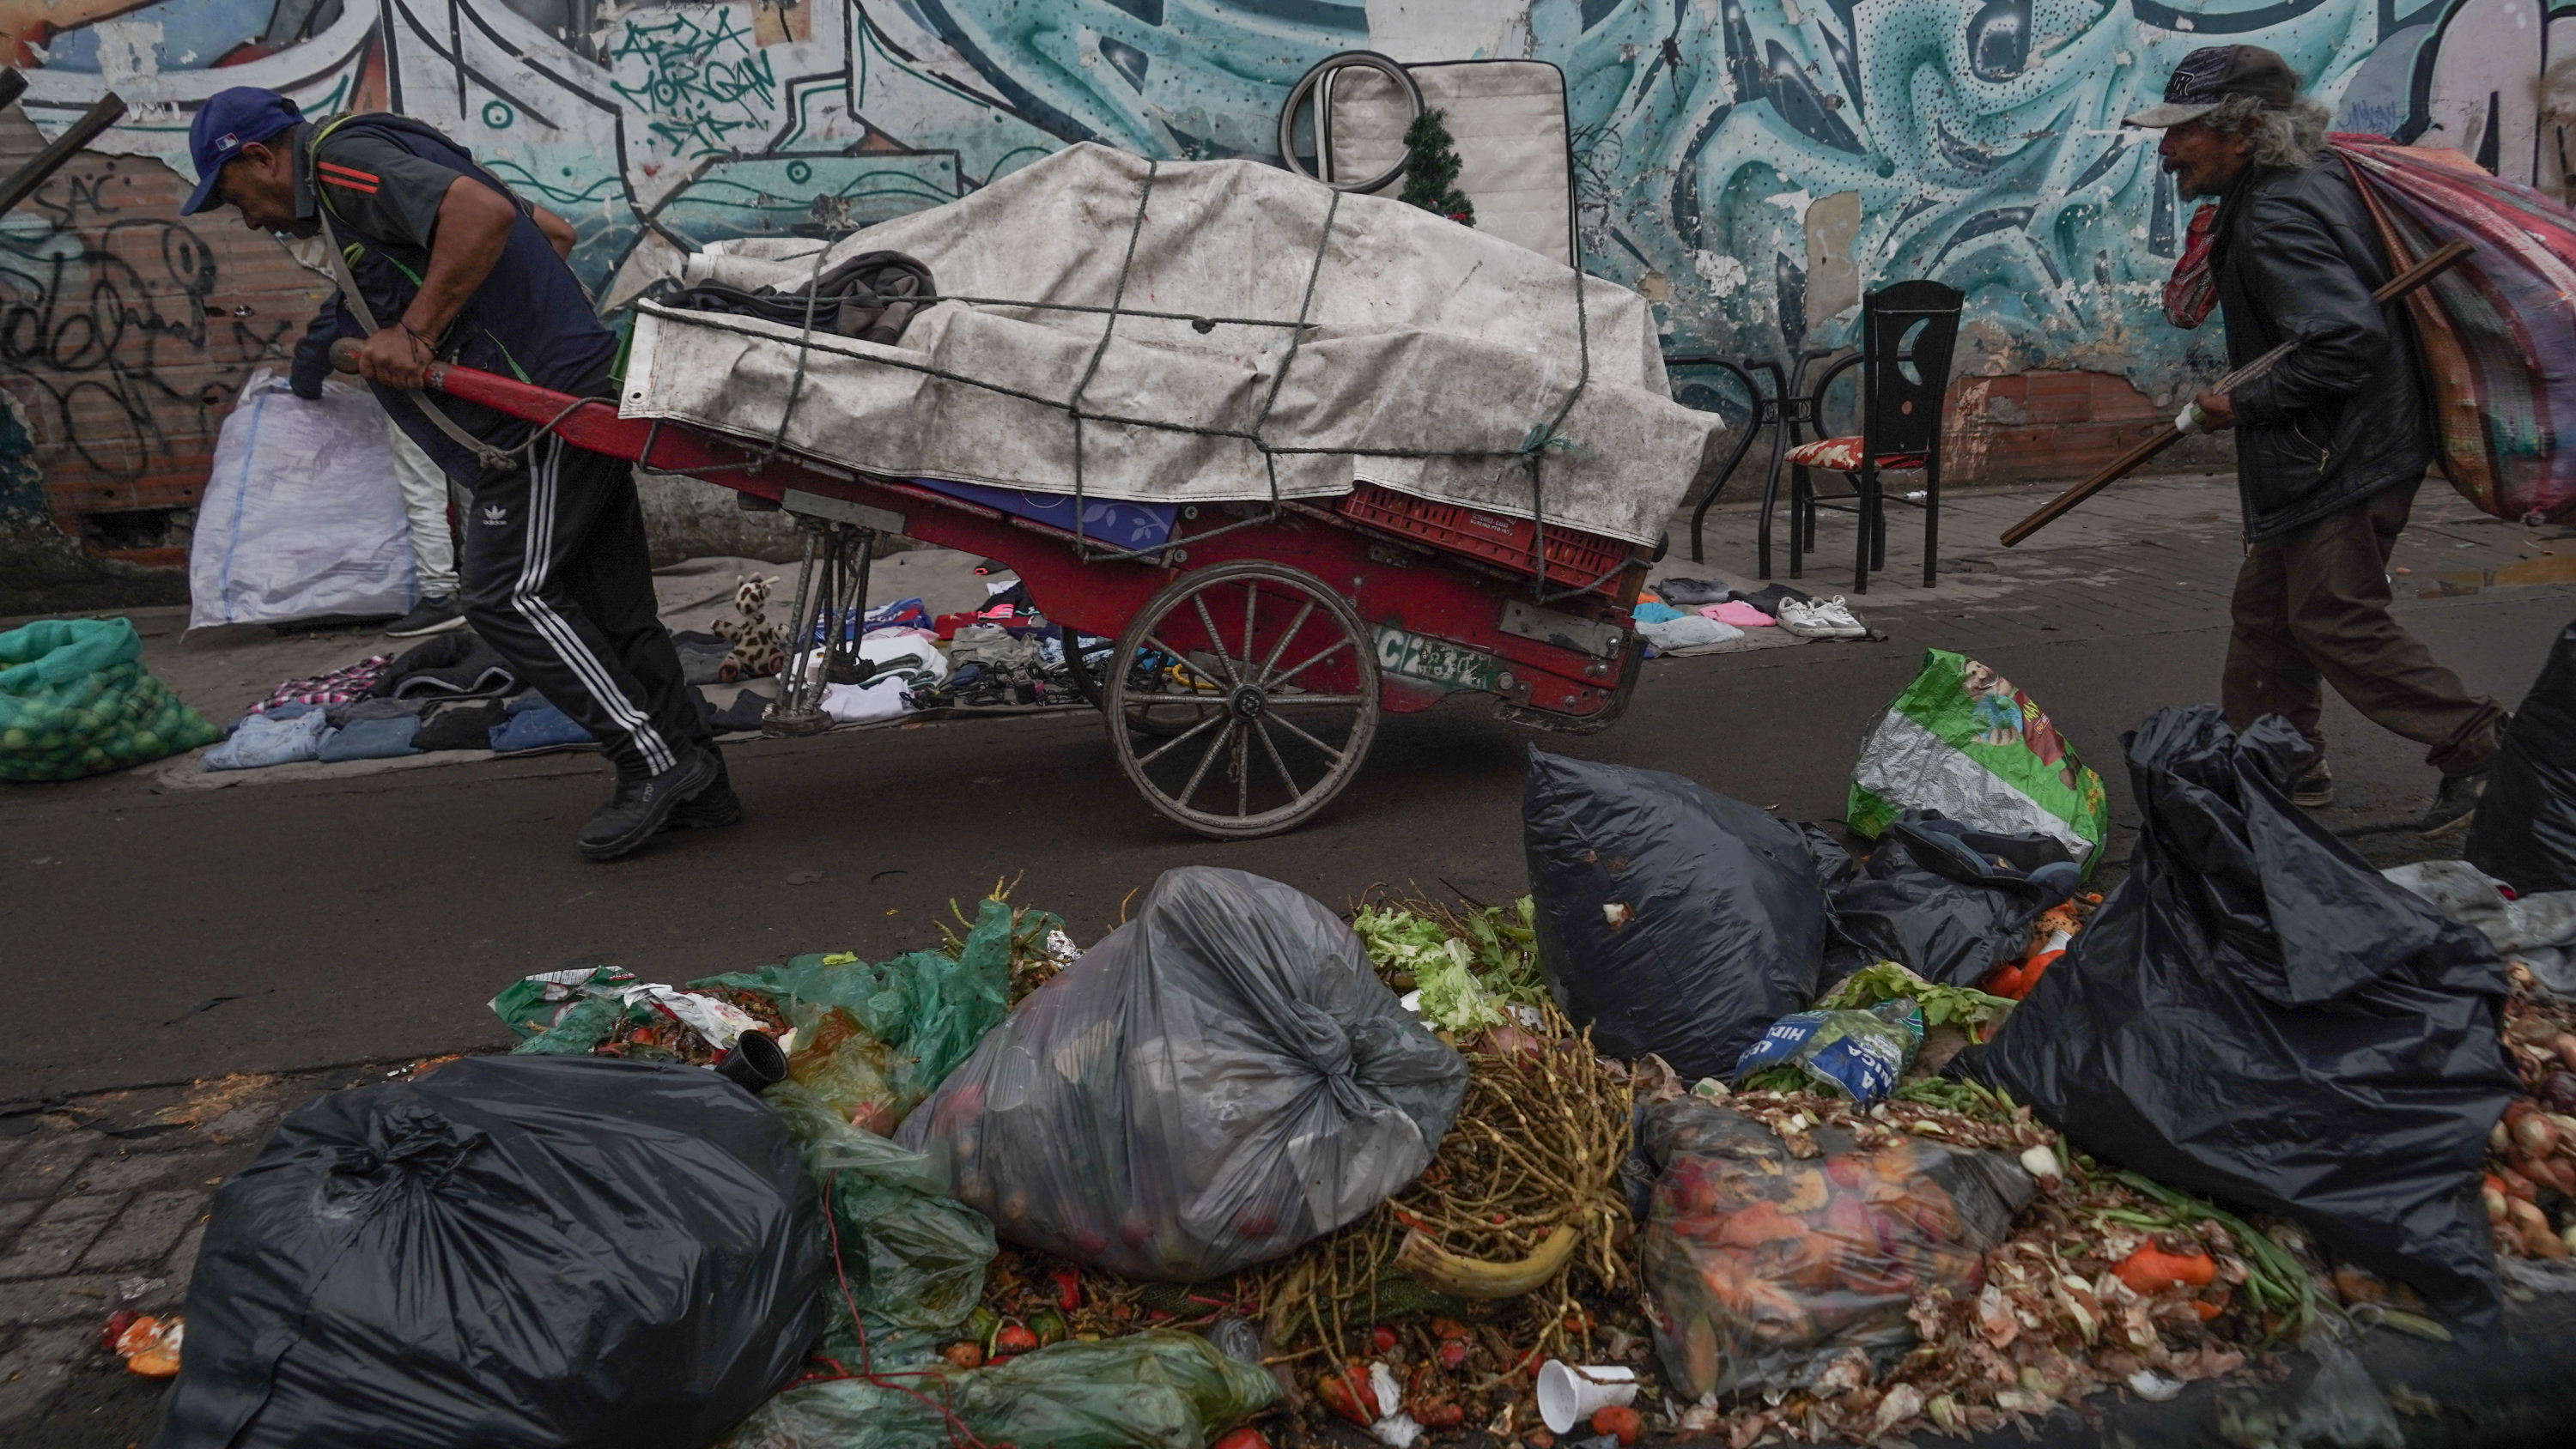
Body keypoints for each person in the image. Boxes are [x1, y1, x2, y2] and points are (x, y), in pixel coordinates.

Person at [181, 88, 738, 859]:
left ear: (259, 156)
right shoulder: (365, 179)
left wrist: (416, 331)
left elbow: (483, 216)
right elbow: (554, 230)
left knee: (503, 594)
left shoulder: (342, 163)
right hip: (567, 390)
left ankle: (656, 761)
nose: (246, 218)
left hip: (536, 413)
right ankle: (703, 785)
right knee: (612, 609)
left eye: (235, 196)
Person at [2129, 45, 2504, 835]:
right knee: (2267, 614)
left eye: (2183, 132)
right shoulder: (2300, 181)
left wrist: (2243, 400)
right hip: (2321, 449)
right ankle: (2279, 764)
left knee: (2335, 615)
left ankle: (2482, 750)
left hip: (2344, 451)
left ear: (2244, 130)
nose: (2165, 149)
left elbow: (2344, 343)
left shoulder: (2275, 213)